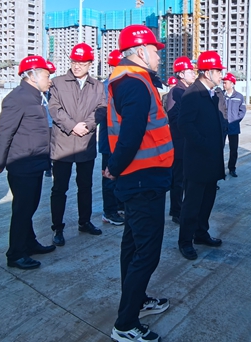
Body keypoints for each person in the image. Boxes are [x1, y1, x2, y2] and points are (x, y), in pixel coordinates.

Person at [103, 25, 172, 342]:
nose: (159, 56)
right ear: (141, 52)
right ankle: (126, 324)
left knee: (132, 246)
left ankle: (137, 300)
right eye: (155, 50)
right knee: (147, 252)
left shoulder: (132, 80)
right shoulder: (134, 83)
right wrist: (114, 167)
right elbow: (130, 135)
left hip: (142, 176)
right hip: (143, 178)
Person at [0, 56, 57, 270]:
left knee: (29, 207)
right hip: (23, 164)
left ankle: (29, 243)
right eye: (47, 75)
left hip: (35, 162)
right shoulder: (18, 98)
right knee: (22, 210)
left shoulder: (36, 97)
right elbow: (4, 133)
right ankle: (16, 253)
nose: (50, 80)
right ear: (33, 76)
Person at [48, 43, 106, 246]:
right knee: (59, 188)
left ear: (90, 64)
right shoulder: (57, 82)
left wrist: (87, 125)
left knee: (85, 186)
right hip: (63, 143)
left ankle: (84, 221)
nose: (77, 65)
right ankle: (57, 227)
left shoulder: (97, 86)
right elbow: (54, 108)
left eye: (82, 62)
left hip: (85, 142)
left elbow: (101, 109)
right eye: (74, 61)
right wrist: (72, 126)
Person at [177, 51, 227, 260]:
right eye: (218, 71)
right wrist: (204, 144)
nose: (221, 75)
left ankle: (201, 233)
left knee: (207, 200)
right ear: (207, 72)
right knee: (192, 203)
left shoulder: (212, 93)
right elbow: (184, 125)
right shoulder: (193, 93)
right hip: (198, 159)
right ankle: (185, 241)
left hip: (212, 158)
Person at [165, 57, 196, 224]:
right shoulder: (176, 92)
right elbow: (173, 116)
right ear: (181, 74)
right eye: (190, 71)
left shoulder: (187, 91)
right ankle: (176, 211)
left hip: (186, 142)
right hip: (179, 142)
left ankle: (180, 208)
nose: (193, 74)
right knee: (178, 179)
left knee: (184, 178)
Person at [99, 50, 125, 226]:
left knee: (120, 174)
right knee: (109, 176)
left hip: (120, 140)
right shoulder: (106, 87)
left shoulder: (123, 85)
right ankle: (109, 211)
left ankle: (119, 205)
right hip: (109, 140)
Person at [222, 73, 246, 177]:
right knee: (220, 149)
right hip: (222, 127)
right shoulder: (220, 96)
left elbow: (242, 111)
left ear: (232, 83)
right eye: (223, 83)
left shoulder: (239, 97)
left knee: (233, 149)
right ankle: (220, 170)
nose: (224, 84)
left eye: (225, 83)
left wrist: (236, 120)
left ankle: (232, 168)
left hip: (234, 127)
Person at [44, 61, 56, 178]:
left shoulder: (53, 89)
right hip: (42, 124)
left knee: (53, 146)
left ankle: (51, 166)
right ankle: (47, 167)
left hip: (52, 123)